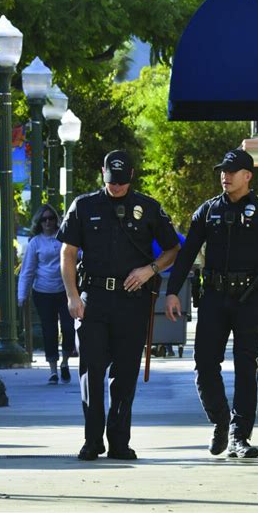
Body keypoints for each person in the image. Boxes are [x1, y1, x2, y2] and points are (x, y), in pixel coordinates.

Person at [165, 148, 258, 459]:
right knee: (204, 364)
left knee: (246, 367)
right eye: (222, 171)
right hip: (214, 297)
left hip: (249, 299)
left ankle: (240, 436)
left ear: (248, 176)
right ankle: (219, 421)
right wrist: (172, 291)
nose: (225, 177)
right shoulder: (207, 211)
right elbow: (187, 254)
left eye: (232, 172)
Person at [57, 149, 180, 461]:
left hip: (131, 302)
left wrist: (150, 269)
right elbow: (68, 253)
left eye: (122, 183)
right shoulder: (84, 206)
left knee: (125, 374)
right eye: (112, 182)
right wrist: (72, 295)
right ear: (102, 173)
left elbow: (172, 248)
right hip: (93, 300)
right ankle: (92, 440)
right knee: (91, 371)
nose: (116, 188)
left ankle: (119, 441)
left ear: (132, 177)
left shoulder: (148, 208)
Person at [18, 203, 76, 385]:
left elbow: (78, 255)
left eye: (51, 218)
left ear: (56, 220)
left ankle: (65, 362)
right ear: (39, 222)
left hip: (65, 290)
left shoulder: (64, 238)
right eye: (44, 219)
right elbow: (27, 270)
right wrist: (22, 294)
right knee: (48, 330)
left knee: (68, 328)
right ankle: (52, 370)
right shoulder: (35, 243)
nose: (48, 222)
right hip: (42, 292)